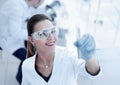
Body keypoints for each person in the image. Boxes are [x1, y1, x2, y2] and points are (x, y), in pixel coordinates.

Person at [21, 14, 101, 85]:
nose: (51, 38)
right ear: (31, 40)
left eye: (53, 31)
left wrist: (89, 56)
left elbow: (92, 72)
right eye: (43, 34)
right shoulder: (27, 65)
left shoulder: (69, 54)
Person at [0, 0, 47, 84]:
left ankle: (21, 76)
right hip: (7, 40)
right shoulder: (16, 7)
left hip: (14, 37)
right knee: (29, 58)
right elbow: (15, 32)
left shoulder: (24, 5)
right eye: (40, 2)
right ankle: (20, 78)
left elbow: (29, 16)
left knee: (32, 51)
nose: (40, 4)